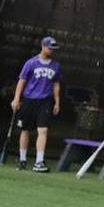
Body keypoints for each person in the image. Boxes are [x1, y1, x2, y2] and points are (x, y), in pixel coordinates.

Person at [11, 36, 62, 173]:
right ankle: (22, 159)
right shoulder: (31, 63)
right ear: (43, 46)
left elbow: (56, 84)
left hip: (45, 101)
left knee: (43, 130)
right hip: (29, 99)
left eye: (53, 48)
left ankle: (39, 162)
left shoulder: (56, 66)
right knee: (25, 129)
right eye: (50, 47)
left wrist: (57, 102)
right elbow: (21, 81)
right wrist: (16, 99)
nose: (51, 50)